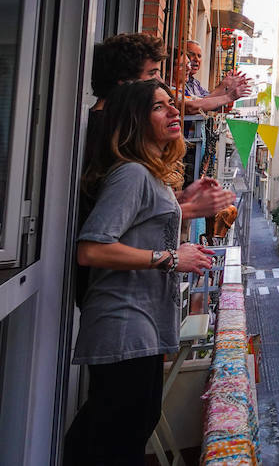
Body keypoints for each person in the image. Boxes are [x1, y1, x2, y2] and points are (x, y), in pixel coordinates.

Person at [65, 79, 217, 466]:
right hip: (123, 321)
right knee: (114, 437)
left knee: (133, 424)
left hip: (144, 321)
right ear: (135, 119)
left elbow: (149, 232)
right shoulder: (130, 174)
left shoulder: (150, 175)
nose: (173, 111)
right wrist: (171, 258)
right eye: (159, 106)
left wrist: (186, 218)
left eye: (172, 103)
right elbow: (92, 248)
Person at [85, 34, 234, 223]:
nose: (160, 81)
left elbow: (139, 201)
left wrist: (181, 197)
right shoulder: (110, 133)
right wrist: (189, 210)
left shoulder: (119, 124)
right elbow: (118, 218)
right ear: (124, 82)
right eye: (152, 73)